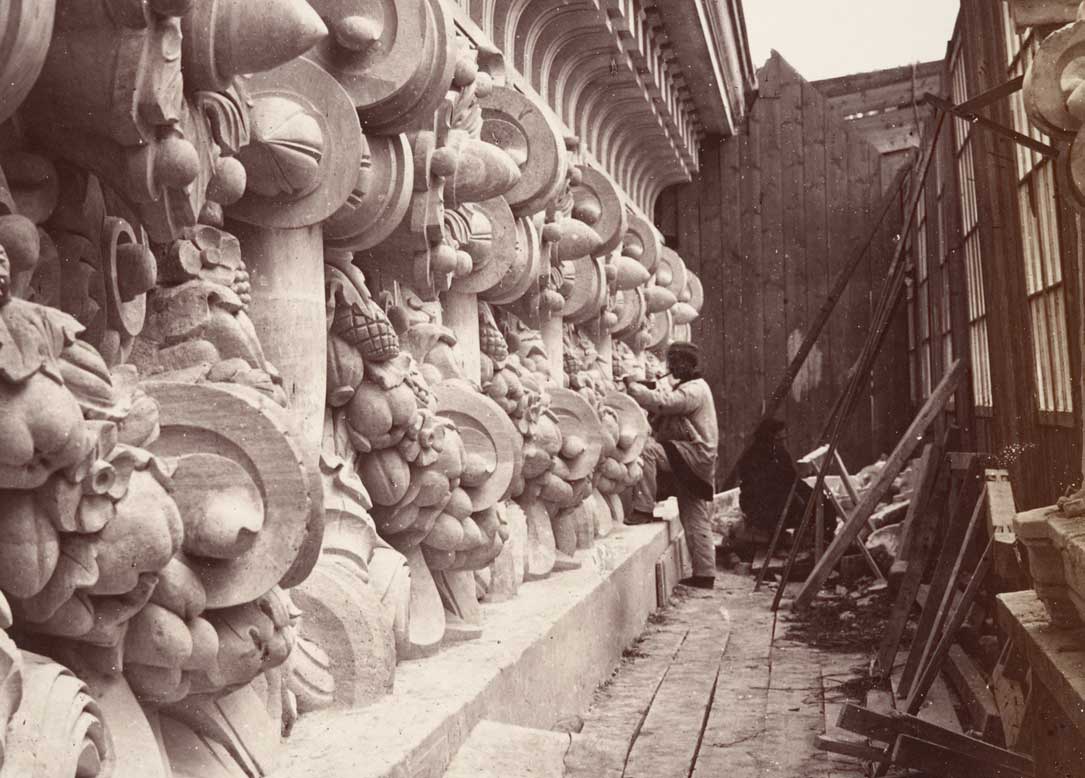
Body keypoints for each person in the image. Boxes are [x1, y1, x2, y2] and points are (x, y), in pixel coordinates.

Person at [627, 342, 719, 590]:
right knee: (695, 513)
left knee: (646, 450)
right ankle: (705, 574)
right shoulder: (693, 388)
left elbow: (664, 403)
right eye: (671, 363)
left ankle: (643, 509)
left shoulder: (694, 390)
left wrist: (635, 390)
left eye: (676, 363)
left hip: (693, 454)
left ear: (688, 365)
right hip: (697, 457)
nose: (672, 368)